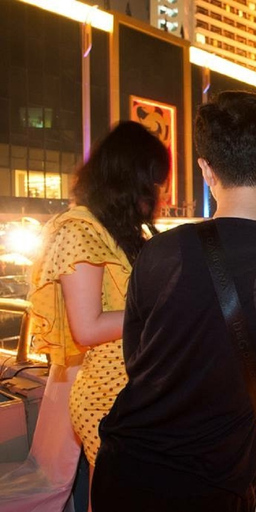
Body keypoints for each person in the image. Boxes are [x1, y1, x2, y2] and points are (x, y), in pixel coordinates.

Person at [92, 91, 256, 512]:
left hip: (122, 468)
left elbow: (138, 360)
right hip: (212, 483)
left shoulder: (159, 251)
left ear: (206, 169)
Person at [0, 121, 169, 512]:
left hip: (132, 388)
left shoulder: (113, 229)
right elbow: (87, 326)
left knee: (111, 494)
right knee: (116, 495)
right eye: (155, 182)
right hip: (107, 395)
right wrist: (160, 310)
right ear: (132, 180)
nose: (159, 193)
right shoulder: (79, 231)